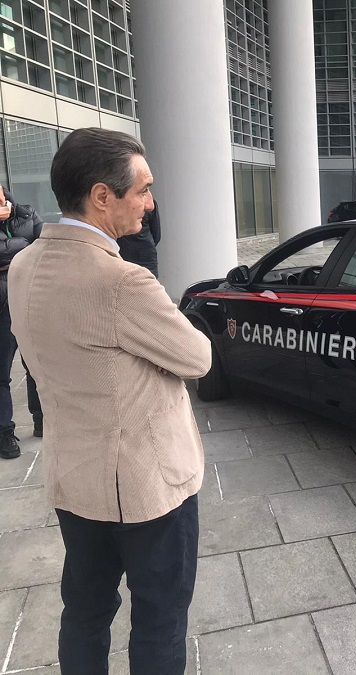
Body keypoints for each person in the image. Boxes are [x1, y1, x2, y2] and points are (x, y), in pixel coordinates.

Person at [8, 127, 211, 674]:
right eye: (142, 189)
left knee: (84, 612)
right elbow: (198, 356)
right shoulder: (123, 282)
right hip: (147, 490)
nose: (150, 202)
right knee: (160, 620)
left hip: (75, 479)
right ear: (102, 196)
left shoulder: (22, 265)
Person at [0, 185, 43, 458]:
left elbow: (44, 251)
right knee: (1, 373)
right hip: (2, 308)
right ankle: (5, 432)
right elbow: (28, 251)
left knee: (36, 365)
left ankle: (42, 419)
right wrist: (21, 252)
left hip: (28, 301)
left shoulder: (27, 216)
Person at [117, 198, 160, 276]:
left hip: (144, 258)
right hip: (125, 257)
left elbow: (156, 235)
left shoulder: (149, 205)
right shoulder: (117, 205)